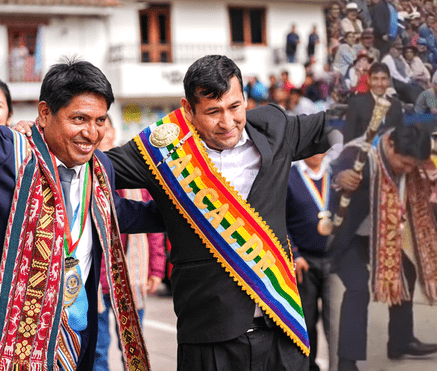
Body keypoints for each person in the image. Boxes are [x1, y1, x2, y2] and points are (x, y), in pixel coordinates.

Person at [105, 55, 338, 370]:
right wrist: (163, 216)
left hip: (279, 329)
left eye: (234, 107)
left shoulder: (275, 128)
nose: (227, 123)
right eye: (213, 112)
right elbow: (90, 172)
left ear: (245, 99)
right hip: (210, 335)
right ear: (188, 109)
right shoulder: (161, 151)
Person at [0, 60, 164, 369]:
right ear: (44, 113)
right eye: (79, 118)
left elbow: (117, 213)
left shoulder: (100, 168)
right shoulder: (6, 150)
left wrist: (188, 210)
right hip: (0, 342)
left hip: (71, 339)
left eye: (100, 120)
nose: (91, 133)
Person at [331, 125, 437, 371]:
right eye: (404, 164)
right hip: (342, 236)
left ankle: (401, 340)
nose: (408, 171)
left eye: (412, 166)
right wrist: (339, 179)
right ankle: (347, 362)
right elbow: (322, 175)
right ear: (390, 146)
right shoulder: (358, 154)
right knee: (358, 288)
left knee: (406, 272)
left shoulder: (409, 164)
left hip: (378, 232)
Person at [93, 119, 166, 371]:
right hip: (94, 280)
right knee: (97, 350)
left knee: (132, 348)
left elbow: (153, 231)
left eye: (104, 125)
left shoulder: (134, 173)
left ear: (112, 132)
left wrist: (156, 269)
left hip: (130, 277)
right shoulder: (82, 172)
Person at [286, 153, 332, 371]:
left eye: (321, 147)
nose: (317, 153)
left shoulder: (337, 175)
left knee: (337, 320)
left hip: (336, 261)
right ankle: (308, 366)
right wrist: (295, 254)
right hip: (305, 261)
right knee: (307, 320)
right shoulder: (290, 177)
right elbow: (280, 220)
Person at [343, 62, 403, 143]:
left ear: (389, 81)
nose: (379, 84)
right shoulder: (356, 103)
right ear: (369, 80)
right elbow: (348, 139)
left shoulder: (396, 104)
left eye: (383, 79)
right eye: (375, 79)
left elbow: (400, 137)